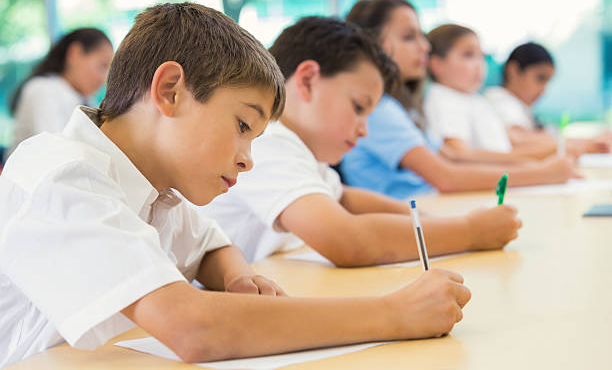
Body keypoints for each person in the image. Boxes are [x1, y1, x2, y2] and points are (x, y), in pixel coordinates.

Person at [0, 3, 471, 367]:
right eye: (243, 126)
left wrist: (236, 278)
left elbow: (210, 245)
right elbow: (193, 329)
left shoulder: (157, 192)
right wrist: (393, 314)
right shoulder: (62, 174)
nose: (248, 160)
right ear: (170, 91)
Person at [199, 15, 521, 267]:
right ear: (308, 80)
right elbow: (345, 239)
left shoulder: (301, 152)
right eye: (358, 108)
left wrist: (438, 223)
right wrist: (469, 231)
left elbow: (345, 198)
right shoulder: (267, 141)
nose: (364, 130)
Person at [340, 0, 574, 200]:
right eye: (409, 37)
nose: (424, 47)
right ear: (376, 46)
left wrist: (534, 166)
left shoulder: (405, 110)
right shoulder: (379, 110)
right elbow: (447, 177)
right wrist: (543, 174)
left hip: (431, 205)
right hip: (414, 212)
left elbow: (455, 159)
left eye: (422, 36)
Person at [485, 42, 611, 156]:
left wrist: (592, 142)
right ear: (513, 70)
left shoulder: (520, 106)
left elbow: (545, 138)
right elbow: (523, 140)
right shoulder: (500, 100)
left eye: (547, 82)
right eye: (540, 78)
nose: (543, 90)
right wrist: (588, 145)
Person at [6, 28, 113, 161]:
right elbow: (56, 154)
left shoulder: (85, 99)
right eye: (102, 66)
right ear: (75, 53)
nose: (103, 79)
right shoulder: (42, 90)